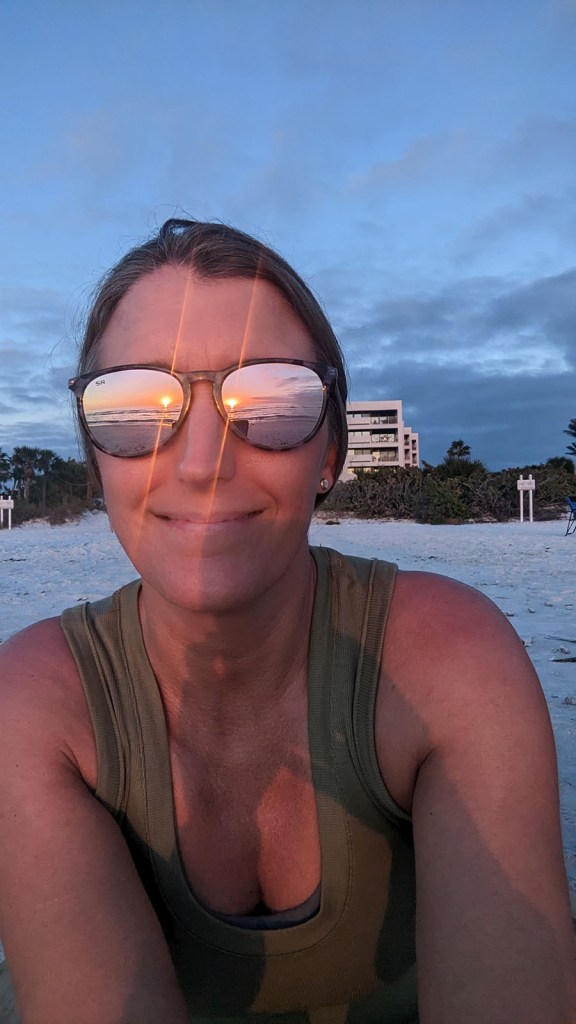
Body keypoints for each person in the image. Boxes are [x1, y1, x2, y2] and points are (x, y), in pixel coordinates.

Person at [0, 218, 574, 1024]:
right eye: (133, 405)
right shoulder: (32, 707)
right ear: (96, 458)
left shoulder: (451, 662)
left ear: (330, 451)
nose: (203, 463)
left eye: (272, 400)